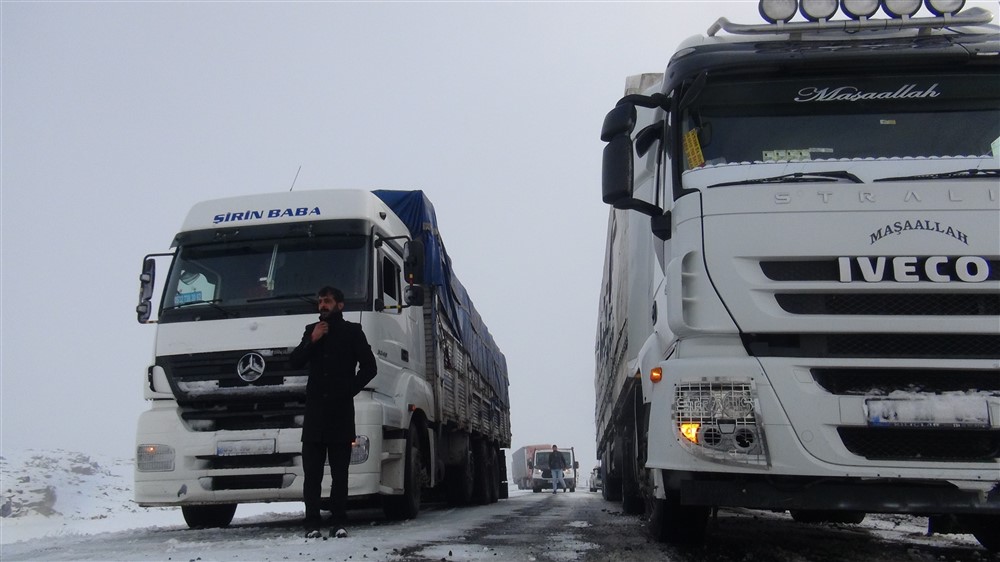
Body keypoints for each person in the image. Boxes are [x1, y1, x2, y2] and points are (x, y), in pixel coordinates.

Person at [290, 286, 377, 538]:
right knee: (312, 476)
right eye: (319, 301)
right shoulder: (311, 331)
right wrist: (312, 340)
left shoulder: (352, 332)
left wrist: (348, 389)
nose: (322, 305)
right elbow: (295, 361)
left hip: (340, 413)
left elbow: (370, 367)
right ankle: (312, 524)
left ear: (340, 305)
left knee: (340, 474)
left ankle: (339, 521)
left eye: (327, 301)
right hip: (315, 415)